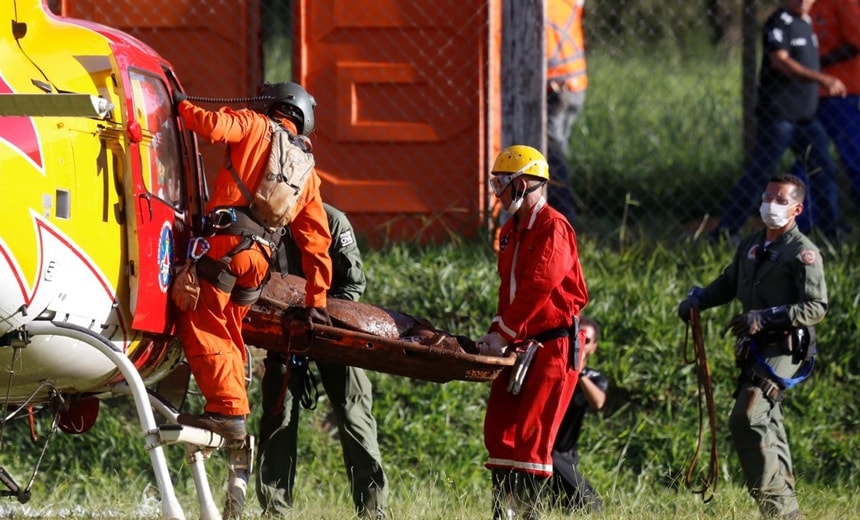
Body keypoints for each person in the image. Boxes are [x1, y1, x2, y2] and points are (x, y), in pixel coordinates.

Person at [172, 81, 333, 441]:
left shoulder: (254, 124)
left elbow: (212, 127)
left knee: (202, 323)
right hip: (258, 262)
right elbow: (317, 241)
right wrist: (316, 301)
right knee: (227, 330)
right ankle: (230, 409)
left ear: (273, 103)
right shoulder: (307, 171)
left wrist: (182, 106)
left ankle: (228, 411)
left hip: (225, 247)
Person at [678, 172, 827, 519]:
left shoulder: (803, 253)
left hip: (785, 346)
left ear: (797, 209)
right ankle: (787, 508)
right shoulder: (752, 244)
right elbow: (729, 283)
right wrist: (699, 299)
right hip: (754, 346)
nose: (771, 205)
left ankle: (777, 508)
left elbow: (816, 307)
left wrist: (768, 315)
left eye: (781, 200)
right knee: (766, 420)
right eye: (768, 197)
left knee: (747, 416)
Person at [256, 203, 388, 519]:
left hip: (334, 328)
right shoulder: (263, 218)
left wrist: (324, 320)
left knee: (354, 412)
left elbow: (353, 285)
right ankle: (275, 511)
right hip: (284, 329)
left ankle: (373, 511)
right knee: (279, 413)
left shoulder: (332, 221)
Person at [478, 144, 589, 519]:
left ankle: (528, 513)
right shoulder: (510, 231)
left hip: (552, 345)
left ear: (523, 183)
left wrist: (504, 334)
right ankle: (502, 511)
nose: (497, 192)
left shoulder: (553, 227)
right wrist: (495, 332)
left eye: (501, 183)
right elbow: (507, 291)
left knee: (531, 436)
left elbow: (539, 286)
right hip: (519, 344)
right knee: (499, 428)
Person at [711, 0, 846, 242]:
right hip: (780, 117)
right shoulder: (779, 21)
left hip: (806, 118)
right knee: (760, 173)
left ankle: (831, 232)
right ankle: (725, 231)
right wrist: (822, 79)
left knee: (823, 170)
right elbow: (780, 60)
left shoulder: (806, 22)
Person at [803, 0, 860, 227]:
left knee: (854, 157)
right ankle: (807, 222)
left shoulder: (843, 2)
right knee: (808, 160)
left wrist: (813, 64)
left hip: (842, 93)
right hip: (810, 95)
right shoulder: (803, 6)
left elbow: (855, 42)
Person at [548, 315, 607, 514]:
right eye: (577, 336)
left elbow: (598, 401)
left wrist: (578, 372)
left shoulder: (592, 377)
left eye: (586, 340)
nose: (581, 342)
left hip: (564, 456)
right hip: (542, 450)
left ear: (593, 348)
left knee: (589, 505)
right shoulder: (552, 370)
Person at [545, 0, 587, 226]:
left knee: (553, 158)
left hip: (555, 86)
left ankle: (563, 221)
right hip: (574, 84)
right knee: (555, 152)